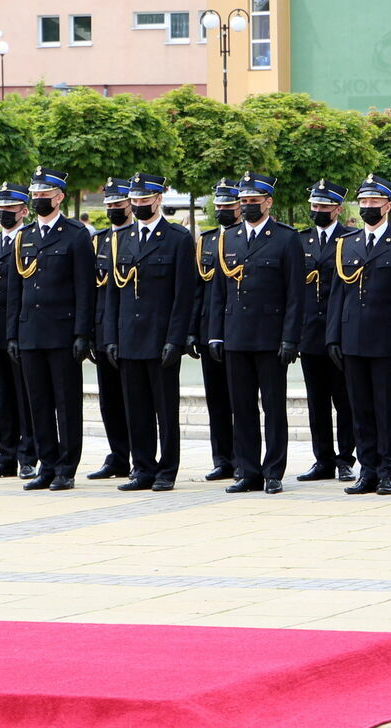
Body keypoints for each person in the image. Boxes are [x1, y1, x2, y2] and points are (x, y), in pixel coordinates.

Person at [326, 174, 391, 496]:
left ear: (388, 206)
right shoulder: (347, 244)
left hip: (385, 340)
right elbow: (338, 295)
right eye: (363, 202)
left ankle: (386, 469)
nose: (368, 207)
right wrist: (333, 337)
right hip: (352, 337)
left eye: (374, 202)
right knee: (359, 408)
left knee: (385, 407)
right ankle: (366, 469)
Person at [207, 172, 302, 494]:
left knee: (273, 407)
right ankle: (247, 471)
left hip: (270, 336)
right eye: (243, 202)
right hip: (236, 335)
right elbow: (219, 292)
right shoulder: (228, 238)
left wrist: (290, 337)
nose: (247, 206)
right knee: (241, 407)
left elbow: (294, 294)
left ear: (268, 202)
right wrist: (215, 335)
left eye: (253, 202)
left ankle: (273, 471)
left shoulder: (285, 238)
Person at [101, 172, 197, 491]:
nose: (139, 205)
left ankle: (167, 469)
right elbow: (115, 292)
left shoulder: (178, 238)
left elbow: (185, 295)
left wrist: (176, 338)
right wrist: (111, 337)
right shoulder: (122, 239)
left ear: (158, 199)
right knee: (136, 407)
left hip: (160, 337)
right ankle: (142, 467)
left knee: (165, 409)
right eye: (135, 200)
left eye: (145, 200)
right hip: (129, 334)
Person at [5, 167, 95, 491]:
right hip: (30, 332)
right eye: (36, 195)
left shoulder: (75, 234)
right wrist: (12, 334)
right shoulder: (24, 236)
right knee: (38, 402)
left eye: (45, 194)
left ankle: (66, 467)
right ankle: (47, 464)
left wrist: (82, 333)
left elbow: (86, 288)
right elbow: (16, 289)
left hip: (62, 332)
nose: (40, 199)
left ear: (59, 197)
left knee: (66, 403)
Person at [296, 179, 357, 483]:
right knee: (316, 400)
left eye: (324, 206)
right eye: (315, 206)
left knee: (344, 399)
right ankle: (323, 458)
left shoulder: (350, 239)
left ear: (338, 208)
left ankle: (345, 458)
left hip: (340, 332)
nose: (318, 211)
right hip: (309, 332)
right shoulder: (301, 240)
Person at [0, 183, 37, 480]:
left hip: (22, 330)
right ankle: (5, 457)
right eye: (0, 208)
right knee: (2, 396)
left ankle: (28, 455)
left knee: (24, 396)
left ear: (23, 211)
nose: (4, 213)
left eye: (10, 208)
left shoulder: (29, 242)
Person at [192, 178, 241, 483]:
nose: (222, 210)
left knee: (240, 401)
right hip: (210, 328)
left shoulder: (242, 238)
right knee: (216, 400)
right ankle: (222, 458)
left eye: (228, 205)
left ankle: (242, 457)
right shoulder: (207, 241)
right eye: (219, 205)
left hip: (237, 328)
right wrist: (194, 332)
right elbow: (197, 290)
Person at [87, 177, 135, 481]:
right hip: (104, 330)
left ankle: (141, 456)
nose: (114, 209)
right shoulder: (99, 241)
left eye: (119, 204)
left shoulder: (135, 238)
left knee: (135, 399)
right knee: (110, 400)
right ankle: (118, 456)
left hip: (130, 331)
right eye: (110, 205)